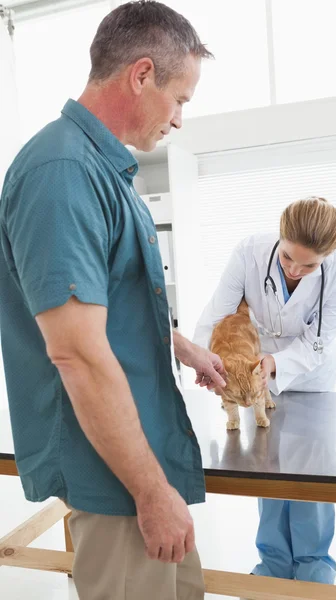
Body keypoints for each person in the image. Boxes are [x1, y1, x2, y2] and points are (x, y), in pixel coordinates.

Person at [0, 2, 226, 599]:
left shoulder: (101, 171)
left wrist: (182, 347)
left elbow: (106, 305)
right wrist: (152, 494)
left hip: (144, 462)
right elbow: (75, 353)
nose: (179, 120)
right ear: (142, 74)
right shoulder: (61, 172)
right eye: (180, 99)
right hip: (118, 479)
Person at [194, 196, 336, 583]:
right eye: (286, 258)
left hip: (308, 378)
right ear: (279, 239)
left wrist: (277, 364)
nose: (296, 269)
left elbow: (319, 341)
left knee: (311, 474)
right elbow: (220, 312)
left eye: (309, 265)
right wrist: (204, 361)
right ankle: (274, 563)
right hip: (251, 373)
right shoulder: (249, 252)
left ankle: (314, 566)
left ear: (327, 256)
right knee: (269, 467)